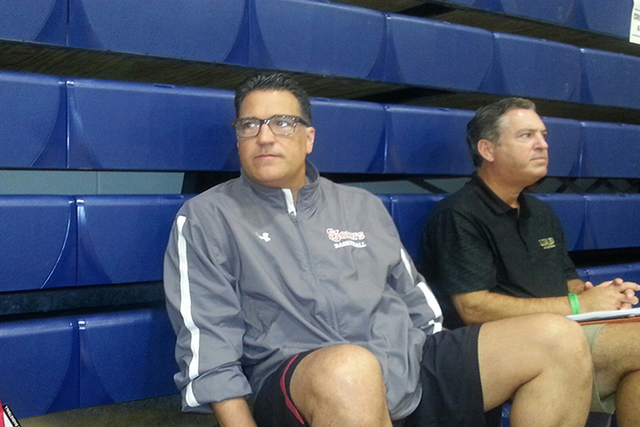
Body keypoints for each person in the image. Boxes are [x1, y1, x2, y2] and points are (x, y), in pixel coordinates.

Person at [164, 74, 594, 427]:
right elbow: (209, 345)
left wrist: (442, 371)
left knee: (558, 338)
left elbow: (419, 306)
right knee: (350, 369)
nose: (264, 137)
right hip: (299, 380)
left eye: (282, 123)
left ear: (309, 138)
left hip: (402, 364)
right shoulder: (207, 217)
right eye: (249, 125)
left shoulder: (361, 207)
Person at [421, 97, 640, 426]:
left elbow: (567, 281)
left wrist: (602, 295)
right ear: (487, 150)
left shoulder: (541, 212)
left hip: (567, 331)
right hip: (498, 350)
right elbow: (473, 307)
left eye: (543, 135)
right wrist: (578, 305)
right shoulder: (459, 214)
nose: (543, 145)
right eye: (526, 136)